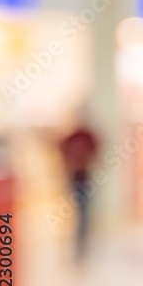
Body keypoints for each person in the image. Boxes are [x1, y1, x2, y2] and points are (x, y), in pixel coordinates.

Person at [57, 107, 100, 263]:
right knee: (75, 211)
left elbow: (97, 150)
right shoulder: (72, 136)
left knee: (84, 212)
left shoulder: (88, 135)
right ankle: (76, 241)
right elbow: (61, 148)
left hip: (85, 176)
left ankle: (83, 243)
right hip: (74, 176)